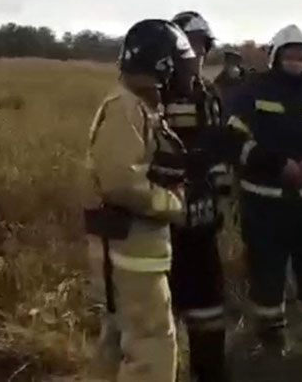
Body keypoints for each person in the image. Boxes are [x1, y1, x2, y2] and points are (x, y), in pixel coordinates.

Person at [224, 24, 302, 380]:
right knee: (267, 283)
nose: (296, 60)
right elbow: (234, 139)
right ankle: (270, 348)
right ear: (275, 57)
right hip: (264, 207)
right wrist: (277, 165)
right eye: (290, 54)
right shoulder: (251, 94)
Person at [84, 19, 197, 382]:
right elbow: (121, 182)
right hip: (133, 255)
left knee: (118, 342)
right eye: (180, 63)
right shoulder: (126, 108)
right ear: (163, 64)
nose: (186, 73)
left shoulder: (140, 108)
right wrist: (174, 205)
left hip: (129, 252)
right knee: (152, 349)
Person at [166, 10, 233, 382]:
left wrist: (218, 201)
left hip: (202, 222)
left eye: (203, 46)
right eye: (191, 46)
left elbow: (220, 152)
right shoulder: (153, 93)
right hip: (161, 221)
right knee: (158, 315)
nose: (198, 53)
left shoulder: (210, 94)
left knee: (209, 309)